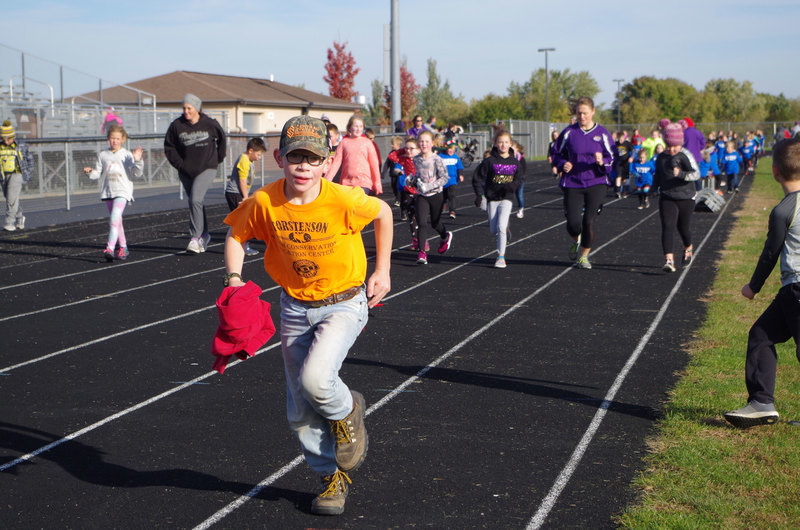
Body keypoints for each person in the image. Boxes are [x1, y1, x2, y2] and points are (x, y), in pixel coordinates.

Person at [222, 115, 393, 515]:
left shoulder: (343, 199)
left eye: (313, 158)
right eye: (296, 157)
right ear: (279, 158)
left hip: (344, 302)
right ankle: (330, 479)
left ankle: (348, 410)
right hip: (295, 307)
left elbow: (383, 213)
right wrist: (234, 279)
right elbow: (236, 235)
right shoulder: (264, 201)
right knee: (299, 408)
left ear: (327, 163)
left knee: (316, 380)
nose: (304, 166)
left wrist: (382, 270)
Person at [724, 138, 800, 428]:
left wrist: (753, 287)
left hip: (796, 288)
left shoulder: (784, 210)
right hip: (791, 292)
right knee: (761, 335)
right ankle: (761, 403)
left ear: (775, 171)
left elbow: (771, 252)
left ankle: (761, 401)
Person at [552, 96, 616, 270]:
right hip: (573, 182)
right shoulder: (569, 133)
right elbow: (556, 153)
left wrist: (602, 162)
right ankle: (576, 240)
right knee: (573, 223)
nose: (582, 117)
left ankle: (583, 256)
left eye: (585, 113)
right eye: (579, 113)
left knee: (588, 221)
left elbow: (613, 157)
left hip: (596, 182)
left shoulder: (602, 133)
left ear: (593, 112)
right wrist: (562, 164)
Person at [164, 93, 227, 254]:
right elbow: (169, 147)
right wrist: (180, 165)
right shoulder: (176, 125)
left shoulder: (209, 123)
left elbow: (222, 139)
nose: (186, 111)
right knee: (195, 202)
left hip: (207, 167)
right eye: (184, 108)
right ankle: (204, 235)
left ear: (197, 108)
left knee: (195, 199)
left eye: (189, 108)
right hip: (186, 170)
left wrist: (218, 158)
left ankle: (195, 237)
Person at [82, 124, 143, 261]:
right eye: (112, 138)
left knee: (114, 218)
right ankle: (123, 247)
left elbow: (136, 173)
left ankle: (109, 248)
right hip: (108, 192)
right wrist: (90, 172)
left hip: (122, 191)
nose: (114, 141)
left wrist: (138, 161)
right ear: (108, 139)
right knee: (117, 221)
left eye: (117, 138)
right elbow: (97, 173)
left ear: (122, 139)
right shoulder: (103, 155)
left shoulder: (126, 154)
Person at [472, 130, 525, 269]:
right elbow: (477, 178)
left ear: (510, 144)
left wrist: (512, 186)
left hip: (506, 198)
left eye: (506, 142)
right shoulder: (489, 161)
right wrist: (479, 195)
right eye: (500, 142)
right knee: (493, 230)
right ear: (495, 143)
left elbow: (519, 178)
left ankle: (501, 257)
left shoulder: (515, 162)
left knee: (500, 226)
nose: (503, 145)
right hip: (492, 198)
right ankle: (505, 230)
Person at [654, 120, 700, 273]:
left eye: (674, 146)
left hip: (686, 196)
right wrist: (653, 188)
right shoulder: (661, 157)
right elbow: (658, 174)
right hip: (667, 196)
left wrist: (681, 174)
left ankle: (688, 248)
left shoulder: (685, 155)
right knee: (668, 226)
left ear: (680, 143)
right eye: (668, 145)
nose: (671, 149)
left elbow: (696, 174)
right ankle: (669, 260)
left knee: (683, 227)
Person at [409, 130, 453, 265]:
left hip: (436, 195)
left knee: (435, 223)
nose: (424, 144)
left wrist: (429, 186)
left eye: (426, 141)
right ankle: (422, 253)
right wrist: (411, 180)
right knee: (421, 223)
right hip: (422, 196)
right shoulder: (416, 159)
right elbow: (417, 176)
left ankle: (445, 236)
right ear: (418, 143)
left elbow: (444, 178)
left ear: (432, 143)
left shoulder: (437, 159)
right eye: (421, 141)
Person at [224, 137, 267, 256]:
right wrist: (245, 197)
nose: (259, 158)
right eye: (258, 154)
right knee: (242, 221)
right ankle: (241, 245)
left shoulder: (249, 161)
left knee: (243, 220)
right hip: (235, 193)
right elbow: (242, 181)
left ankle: (241, 244)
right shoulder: (244, 160)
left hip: (237, 193)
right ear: (250, 151)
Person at [325, 115, 382, 196]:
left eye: (361, 126)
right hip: (346, 182)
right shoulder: (344, 142)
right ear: (349, 127)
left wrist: (377, 183)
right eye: (356, 126)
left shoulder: (367, 143)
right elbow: (336, 163)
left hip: (363, 182)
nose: (358, 129)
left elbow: (374, 164)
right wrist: (327, 180)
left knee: (358, 201)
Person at [0, 120, 33, 232]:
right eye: (4, 139)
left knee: (11, 199)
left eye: (8, 139)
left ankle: (9, 222)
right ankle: (20, 217)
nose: (6, 141)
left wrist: (28, 173)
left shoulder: (21, 145)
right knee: (10, 198)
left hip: (17, 174)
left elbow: (30, 160)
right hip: (4, 176)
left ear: (12, 136)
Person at [439, 138, 464, 219]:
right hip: (442, 181)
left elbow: (459, 167)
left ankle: (452, 211)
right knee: (443, 196)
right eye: (449, 148)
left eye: (452, 149)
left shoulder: (456, 157)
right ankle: (442, 205)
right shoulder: (441, 156)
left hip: (452, 180)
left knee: (451, 195)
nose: (450, 150)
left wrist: (460, 175)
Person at [614, 130, 633, 198]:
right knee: (618, 177)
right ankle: (618, 191)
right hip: (618, 163)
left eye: (622, 139)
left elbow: (633, 150)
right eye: (619, 139)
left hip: (625, 163)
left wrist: (631, 157)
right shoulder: (615, 144)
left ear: (624, 138)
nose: (620, 141)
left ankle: (624, 191)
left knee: (624, 178)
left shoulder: (627, 143)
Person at [512, 141, 528, 219]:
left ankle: (521, 209)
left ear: (517, 149)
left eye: (513, 149)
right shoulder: (508, 158)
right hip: (510, 180)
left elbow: (524, 170)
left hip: (520, 180)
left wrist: (519, 178)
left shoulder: (521, 159)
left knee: (519, 195)